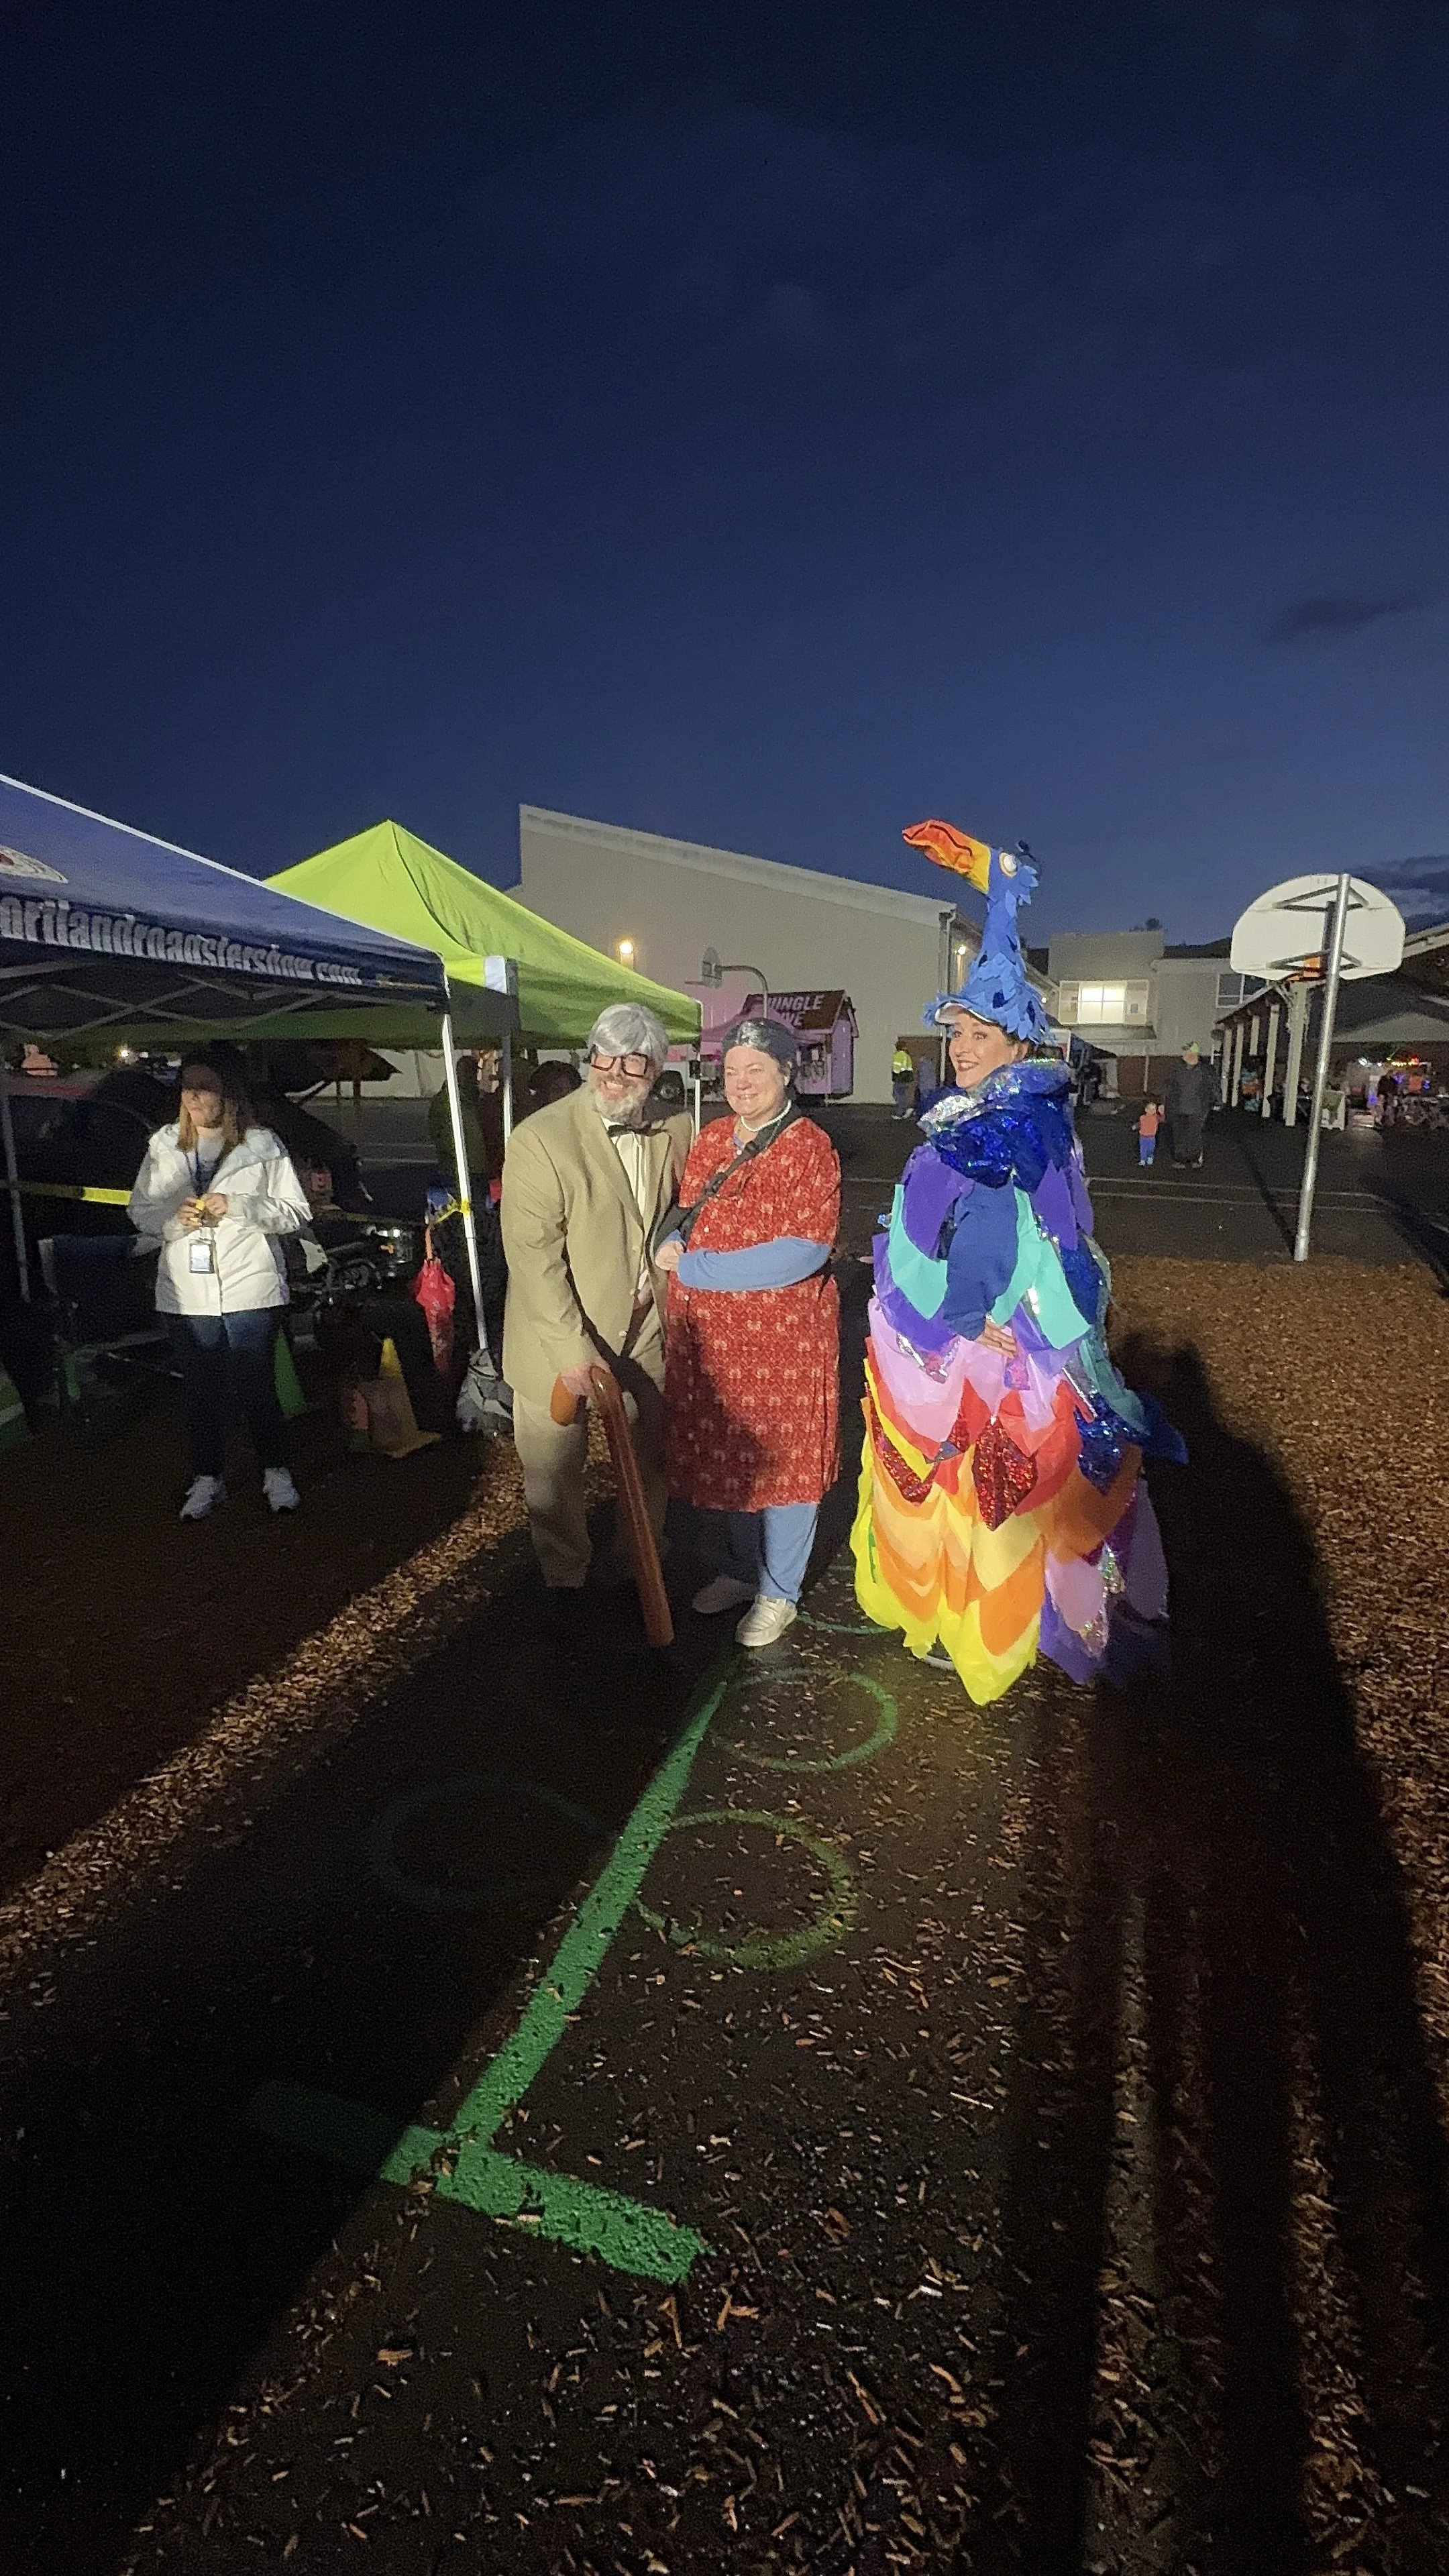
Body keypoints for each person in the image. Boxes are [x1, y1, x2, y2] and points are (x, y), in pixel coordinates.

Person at [851, 830, 1183, 1705]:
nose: (961, 1044)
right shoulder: (1016, 1109)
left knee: (991, 1487)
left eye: (978, 1031)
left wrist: (961, 1315)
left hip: (998, 1338)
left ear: (1015, 1038)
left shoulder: (1004, 1122)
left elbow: (1003, 1232)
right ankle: (1028, 1619)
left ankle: (994, 1628)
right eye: (956, 1030)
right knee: (1023, 1487)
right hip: (1024, 1329)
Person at [500, 1003, 692, 1609]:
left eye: (630, 1062)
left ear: (656, 1068)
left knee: (653, 1457)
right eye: (601, 1058)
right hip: (555, 1333)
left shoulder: (677, 1130)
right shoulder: (539, 1140)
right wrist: (572, 1353)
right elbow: (534, 1261)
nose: (612, 1073)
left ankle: (639, 1560)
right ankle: (566, 1582)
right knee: (555, 1474)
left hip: (646, 1330)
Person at [659, 1019, 841, 1648]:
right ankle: (741, 1571)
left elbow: (805, 1251)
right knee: (733, 1458)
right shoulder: (712, 1140)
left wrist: (699, 1268)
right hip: (717, 1343)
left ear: (786, 1074)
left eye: (755, 1071)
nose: (740, 1083)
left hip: (783, 1342)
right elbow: (690, 1212)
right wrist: (675, 1240)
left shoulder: (809, 1148)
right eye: (731, 1072)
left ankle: (778, 1591)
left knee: (784, 1467)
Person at [129, 1058, 311, 1520]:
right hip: (187, 1293)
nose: (193, 1098)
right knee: (202, 1390)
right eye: (187, 1088)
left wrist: (239, 1205)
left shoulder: (262, 1145)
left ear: (228, 1095)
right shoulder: (165, 1144)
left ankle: (275, 1472)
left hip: (249, 1284)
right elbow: (140, 1211)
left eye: (205, 1088)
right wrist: (175, 1222)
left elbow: (295, 1211)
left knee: (256, 1385)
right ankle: (208, 1478)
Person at [1163, 1042, 1216, 1166]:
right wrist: (1163, 1102)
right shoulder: (1177, 1069)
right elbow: (1168, 1087)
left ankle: (1194, 1158)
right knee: (1179, 1134)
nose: (1183, 1055)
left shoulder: (1205, 1071)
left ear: (1193, 1053)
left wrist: (1216, 1102)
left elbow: (1213, 1086)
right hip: (1178, 1107)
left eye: (1186, 1052)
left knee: (1194, 1134)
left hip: (1198, 1108)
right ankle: (1180, 1159)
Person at [891, 1044, 917, 1120]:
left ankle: (901, 1112)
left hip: (899, 1078)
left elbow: (897, 1067)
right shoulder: (907, 1056)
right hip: (905, 1078)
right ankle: (906, 1110)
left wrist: (895, 1075)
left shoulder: (899, 1054)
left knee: (898, 1094)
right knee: (902, 1094)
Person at [1136, 1099, 1161, 1167]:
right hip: (1143, 1137)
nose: (1152, 1111)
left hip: (1151, 1137)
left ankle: (1150, 1158)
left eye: (1154, 1109)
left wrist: (1161, 1112)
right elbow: (1139, 1124)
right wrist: (1135, 1126)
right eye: (1150, 1109)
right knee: (1143, 1149)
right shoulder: (1143, 1118)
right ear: (1146, 1110)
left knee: (1151, 1148)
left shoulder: (1156, 1118)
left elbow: (1162, 1119)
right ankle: (1143, 1160)